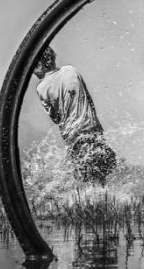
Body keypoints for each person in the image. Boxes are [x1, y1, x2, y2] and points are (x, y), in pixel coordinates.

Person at [33, 46, 116, 185]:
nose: (33, 73)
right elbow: (88, 98)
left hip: (72, 134)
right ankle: (103, 197)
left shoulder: (41, 88)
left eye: (33, 69)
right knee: (101, 168)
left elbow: (55, 118)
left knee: (84, 174)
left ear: (40, 64)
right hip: (90, 126)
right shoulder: (70, 70)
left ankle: (93, 201)